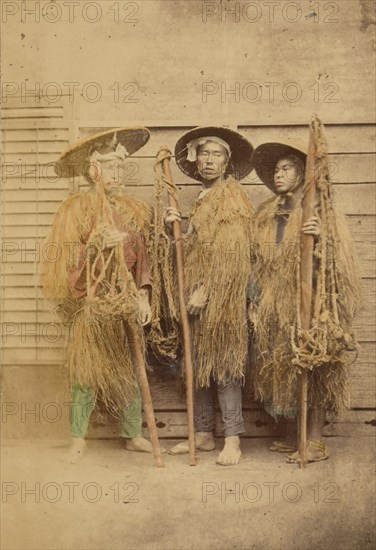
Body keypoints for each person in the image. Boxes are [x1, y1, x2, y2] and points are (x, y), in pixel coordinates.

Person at [41, 127, 164, 463]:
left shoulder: (131, 210)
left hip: (125, 303)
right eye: (110, 168)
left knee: (129, 369)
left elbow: (143, 259)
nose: (117, 174)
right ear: (93, 170)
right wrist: (94, 248)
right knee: (86, 373)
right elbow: (63, 260)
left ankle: (132, 433)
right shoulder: (75, 209)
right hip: (92, 306)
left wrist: (144, 295)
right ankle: (78, 438)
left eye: (121, 168)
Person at [249, 140, 362, 462]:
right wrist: (254, 298)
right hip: (274, 301)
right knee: (282, 363)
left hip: (311, 301)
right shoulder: (268, 213)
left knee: (313, 364)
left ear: (304, 173)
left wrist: (321, 236)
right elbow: (257, 259)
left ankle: (313, 440)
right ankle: (290, 432)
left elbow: (339, 261)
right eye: (276, 169)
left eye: (286, 168)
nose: (278, 174)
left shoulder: (322, 212)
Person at [166, 126, 254, 465]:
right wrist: (172, 227)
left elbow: (232, 253)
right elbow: (193, 250)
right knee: (198, 366)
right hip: (197, 298)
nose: (209, 160)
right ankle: (203, 434)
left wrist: (208, 289)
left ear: (227, 162)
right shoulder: (203, 198)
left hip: (222, 297)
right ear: (195, 158)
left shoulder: (230, 196)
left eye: (217, 154)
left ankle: (232, 439)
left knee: (225, 366)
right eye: (203, 153)